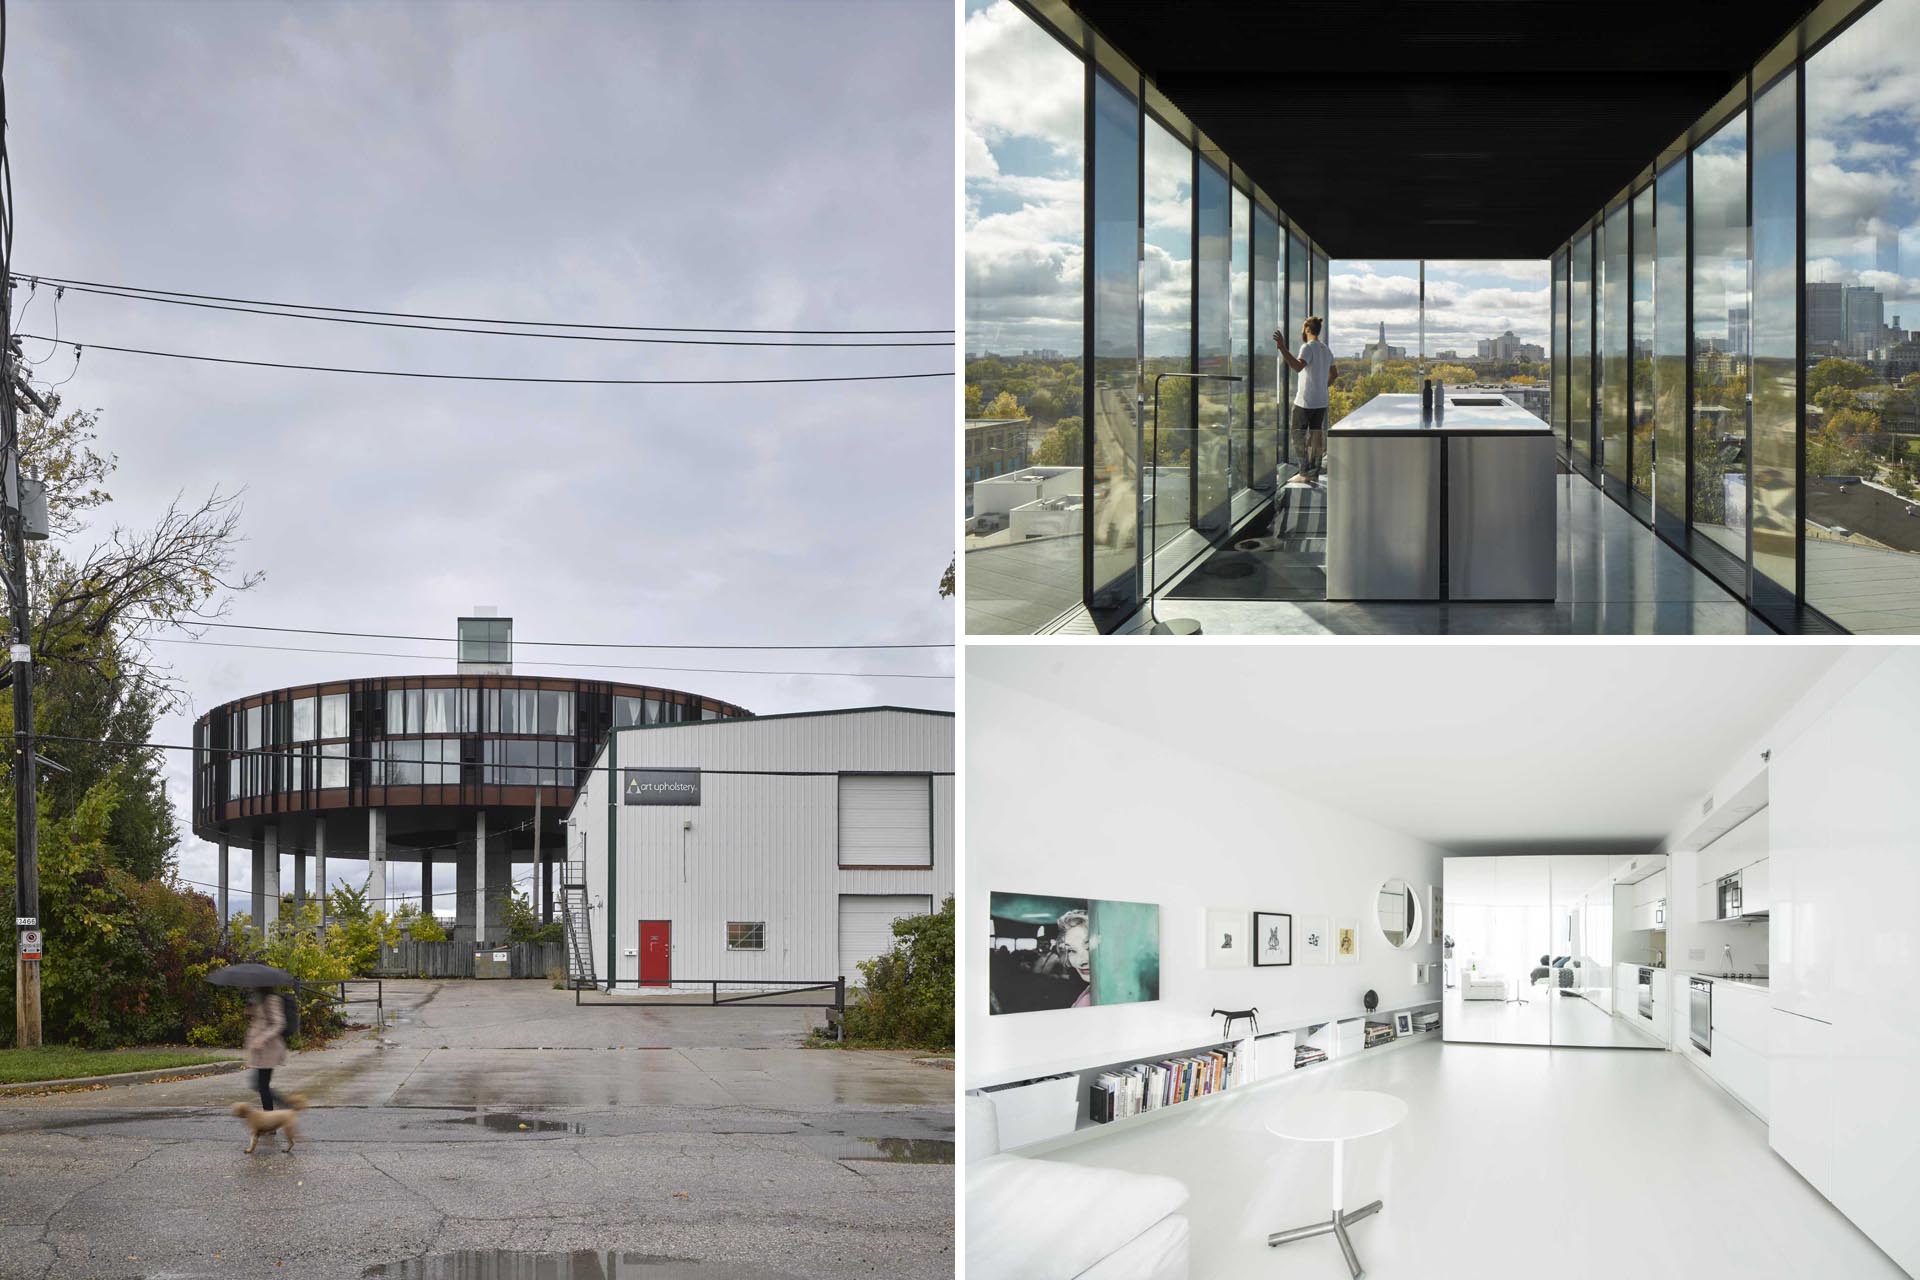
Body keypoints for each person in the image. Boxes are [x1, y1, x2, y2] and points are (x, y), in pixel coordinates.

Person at [1274, 316, 1338, 485]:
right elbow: (1335, 374)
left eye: (1304, 328)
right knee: (1316, 436)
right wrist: (1322, 387)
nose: (1302, 331)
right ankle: (1314, 473)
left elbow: (1297, 366)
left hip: (1305, 401)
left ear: (1308, 329)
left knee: (1298, 434)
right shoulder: (1326, 349)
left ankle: (1303, 473)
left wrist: (1282, 348)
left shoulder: (1307, 347)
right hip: (1321, 400)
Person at [244, 988, 288, 1111]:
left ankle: (273, 1116)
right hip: (260, 1050)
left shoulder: (272, 999)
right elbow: (259, 1019)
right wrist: (250, 1009)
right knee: (259, 1085)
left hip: (270, 1049)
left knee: (261, 1085)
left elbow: (279, 1023)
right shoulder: (258, 997)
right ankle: (283, 1107)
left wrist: (263, 1037)